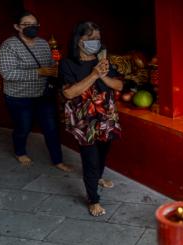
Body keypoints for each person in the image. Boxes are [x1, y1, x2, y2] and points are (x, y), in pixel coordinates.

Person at [60, 21, 123, 216]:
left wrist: (103, 74)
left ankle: (97, 177)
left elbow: (119, 86)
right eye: (90, 39)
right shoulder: (68, 64)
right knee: (90, 159)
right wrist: (94, 75)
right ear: (79, 41)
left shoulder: (103, 60)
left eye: (97, 38)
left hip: (106, 117)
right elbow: (69, 93)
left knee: (103, 153)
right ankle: (93, 200)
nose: (95, 42)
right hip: (84, 120)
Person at [0, 10, 71, 171]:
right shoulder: (8, 46)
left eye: (34, 24)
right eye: (26, 24)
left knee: (51, 128)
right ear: (17, 26)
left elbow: (51, 65)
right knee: (23, 127)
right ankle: (19, 151)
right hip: (19, 97)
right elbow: (7, 73)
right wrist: (39, 72)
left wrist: (57, 71)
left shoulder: (43, 43)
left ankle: (58, 160)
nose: (31, 27)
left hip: (44, 94)